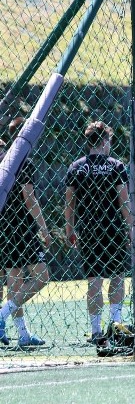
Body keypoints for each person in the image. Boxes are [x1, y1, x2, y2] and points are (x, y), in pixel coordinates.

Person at [65, 121, 133, 345]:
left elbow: (70, 202)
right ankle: (115, 323)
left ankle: (96, 331)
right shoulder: (115, 166)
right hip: (113, 228)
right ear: (104, 141)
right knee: (117, 275)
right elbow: (124, 201)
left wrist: (70, 228)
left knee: (94, 279)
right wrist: (132, 228)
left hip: (89, 228)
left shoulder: (77, 167)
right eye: (110, 141)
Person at [0, 118, 52, 347]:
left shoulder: (4, 160)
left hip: (4, 228)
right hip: (22, 228)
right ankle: (1, 315)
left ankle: (22, 334)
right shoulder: (23, 161)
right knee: (42, 276)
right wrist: (43, 228)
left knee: (15, 281)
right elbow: (29, 198)